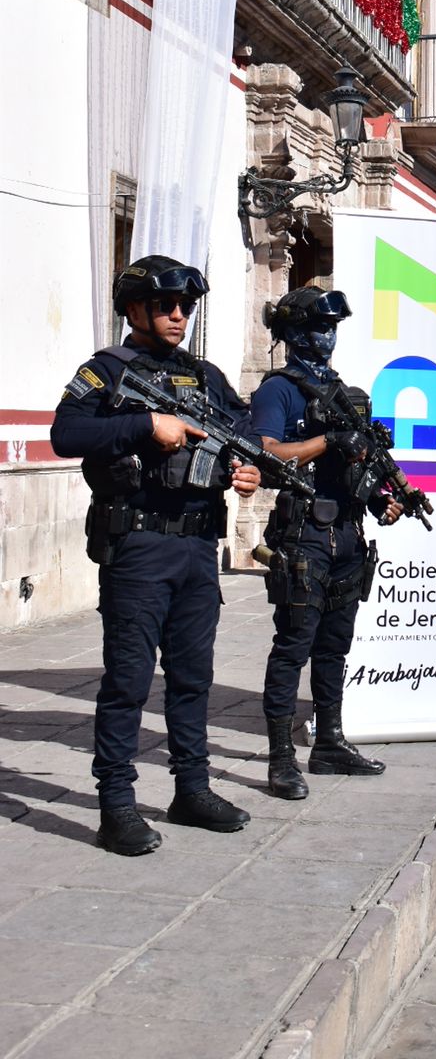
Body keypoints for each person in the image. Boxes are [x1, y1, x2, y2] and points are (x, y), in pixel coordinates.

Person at [50, 256, 260, 857]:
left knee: (193, 678)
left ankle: (191, 788)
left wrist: (242, 471)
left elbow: (240, 434)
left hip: (197, 546)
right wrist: (147, 424)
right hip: (138, 546)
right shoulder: (105, 371)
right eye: (166, 306)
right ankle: (116, 804)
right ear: (134, 310)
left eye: (186, 307)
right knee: (129, 681)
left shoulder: (207, 376)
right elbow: (66, 435)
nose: (177, 316)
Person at [251, 286, 403, 799]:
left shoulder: (345, 391)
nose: (327, 337)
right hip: (303, 535)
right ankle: (279, 759)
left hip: (347, 535)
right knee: (293, 645)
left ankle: (330, 742)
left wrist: (383, 498)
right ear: (292, 334)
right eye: (318, 328)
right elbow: (268, 452)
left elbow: (357, 464)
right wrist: (325, 441)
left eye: (333, 328)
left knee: (336, 647)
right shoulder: (280, 390)